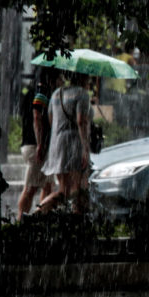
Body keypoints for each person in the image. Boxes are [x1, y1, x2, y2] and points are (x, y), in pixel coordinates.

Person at [38, 72, 93, 214]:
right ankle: (37, 215)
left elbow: (51, 119)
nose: (90, 81)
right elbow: (81, 121)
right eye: (89, 78)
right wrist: (85, 149)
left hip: (57, 144)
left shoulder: (57, 93)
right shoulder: (82, 94)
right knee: (78, 190)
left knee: (65, 190)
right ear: (84, 78)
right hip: (73, 145)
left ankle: (37, 214)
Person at [16, 71, 55, 220]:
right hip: (36, 147)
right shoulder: (41, 93)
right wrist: (40, 144)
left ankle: (42, 218)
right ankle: (21, 220)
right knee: (31, 188)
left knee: (48, 186)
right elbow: (37, 117)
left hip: (35, 145)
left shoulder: (30, 93)